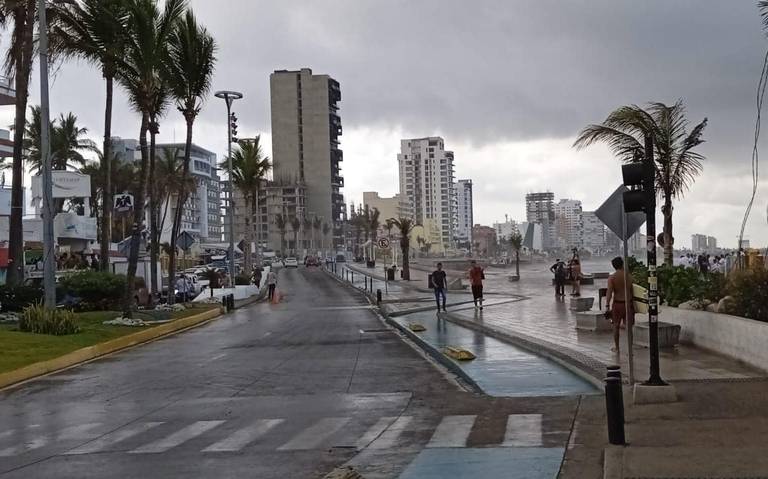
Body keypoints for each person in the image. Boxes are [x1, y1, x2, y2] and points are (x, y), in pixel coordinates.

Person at [606, 256, 634, 353]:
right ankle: (630, 349)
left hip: (617, 304)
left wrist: (607, 305)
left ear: (614, 266)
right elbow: (632, 291)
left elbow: (609, 292)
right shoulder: (629, 276)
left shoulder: (612, 277)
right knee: (628, 327)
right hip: (628, 303)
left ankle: (617, 348)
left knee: (616, 326)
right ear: (622, 264)